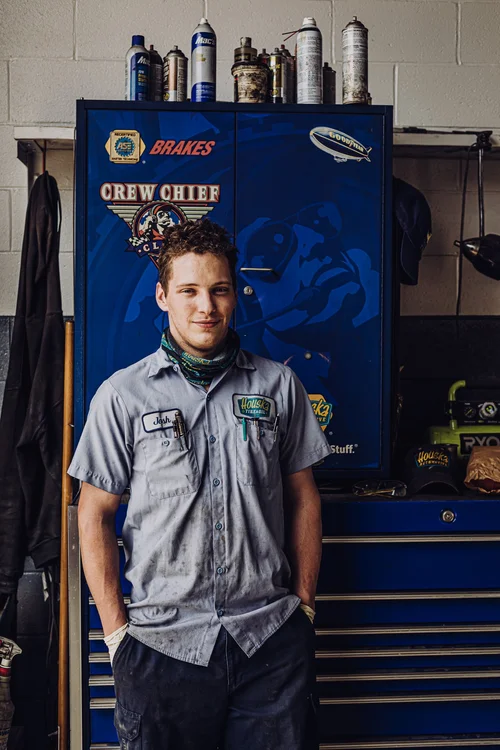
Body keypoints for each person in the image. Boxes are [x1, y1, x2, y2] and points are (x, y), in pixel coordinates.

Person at [69, 219, 332, 750]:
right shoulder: (122, 396)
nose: (205, 307)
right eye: (189, 290)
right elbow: (93, 514)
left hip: (269, 644)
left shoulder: (279, 385)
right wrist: (117, 634)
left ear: (235, 295)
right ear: (163, 296)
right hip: (161, 649)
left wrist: (303, 608)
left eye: (219, 290)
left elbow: (303, 497)